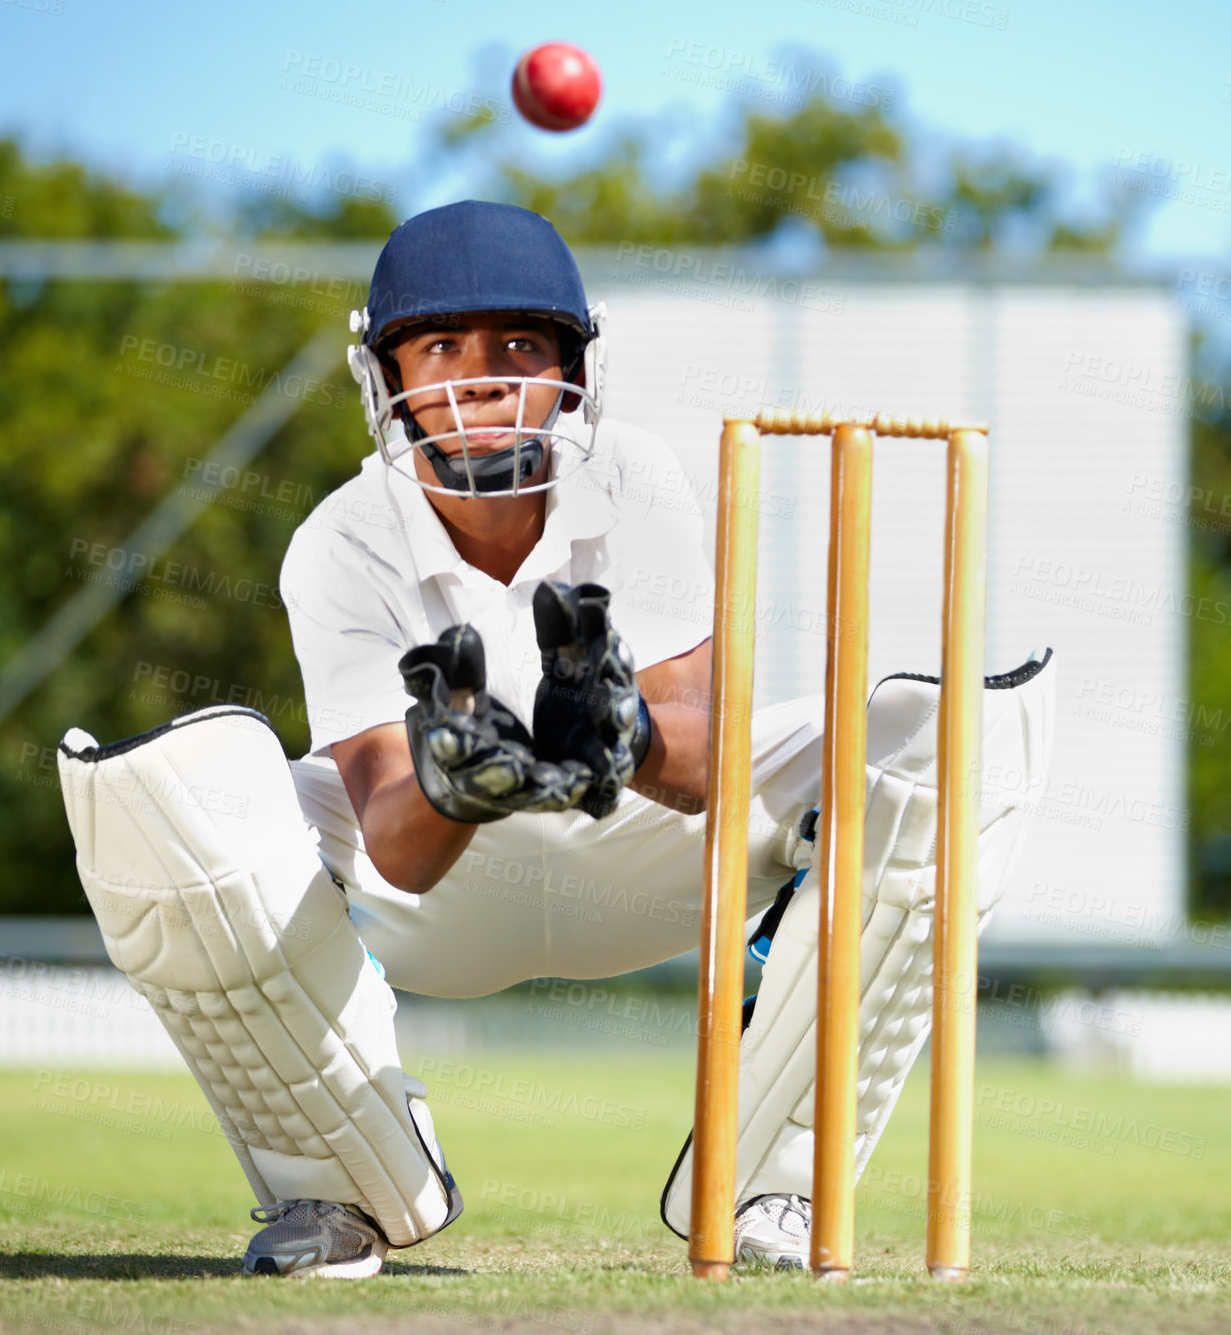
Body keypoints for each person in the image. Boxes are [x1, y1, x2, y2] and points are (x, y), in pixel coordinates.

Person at [57, 200, 1055, 1280]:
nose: (479, 378)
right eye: (439, 346)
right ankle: (340, 1193)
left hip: (645, 850)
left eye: (518, 346)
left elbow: (711, 763)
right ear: (383, 375)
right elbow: (395, 841)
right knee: (161, 798)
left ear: (573, 368)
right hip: (434, 896)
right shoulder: (340, 540)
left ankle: (771, 1183)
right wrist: (458, 779)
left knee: (944, 747)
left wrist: (620, 736)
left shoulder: (629, 473)